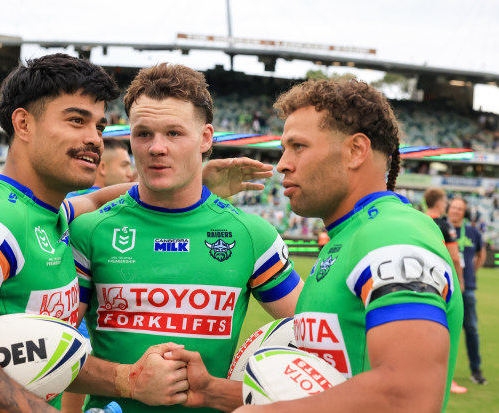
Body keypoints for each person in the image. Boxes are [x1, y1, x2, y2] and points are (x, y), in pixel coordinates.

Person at [0, 53, 192, 413]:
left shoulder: (49, 211)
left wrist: (190, 181)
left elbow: (95, 200)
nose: (94, 139)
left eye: (98, 126)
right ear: (23, 124)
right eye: (76, 120)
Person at [166, 78, 463, 413]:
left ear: (355, 150)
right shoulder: (347, 238)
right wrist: (212, 392)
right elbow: (330, 390)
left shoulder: (393, 234)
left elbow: (409, 393)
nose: (282, 165)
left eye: (298, 147)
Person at [67, 63, 303, 412]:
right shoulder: (90, 232)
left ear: (206, 138)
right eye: (143, 133)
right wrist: (129, 380)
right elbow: (52, 358)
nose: (156, 148)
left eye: (174, 133)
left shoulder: (252, 236)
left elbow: (320, 336)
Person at [62, 137, 134, 412]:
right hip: (81, 317)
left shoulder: (77, 201)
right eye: (125, 164)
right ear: (101, 167)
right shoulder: (95, 211)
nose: (131, 172)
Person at [424, 187, 467, 394]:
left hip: (418, 281)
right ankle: (445, 381)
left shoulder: (417, 219)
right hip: (442, 283)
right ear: (441, 203)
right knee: (446, 332)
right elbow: (455, 257)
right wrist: (459, 281)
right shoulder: (444, 224)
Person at [447, 196, 487, 385]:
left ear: (464, 213)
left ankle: (476, 370)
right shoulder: (440, 228)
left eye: (459, 209)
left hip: (467, 288)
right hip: (445, 288)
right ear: (448, 209)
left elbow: (481, 254)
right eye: (453, 208)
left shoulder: (472, 232)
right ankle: (444, 374)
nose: (455, 211)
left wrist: (471, 273)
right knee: (443, 331)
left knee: (471, 330)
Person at [66, 138, 133, 198]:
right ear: (102, 168)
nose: (130, 174)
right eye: (124, 165)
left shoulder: (67, 200)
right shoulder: (109, 205)